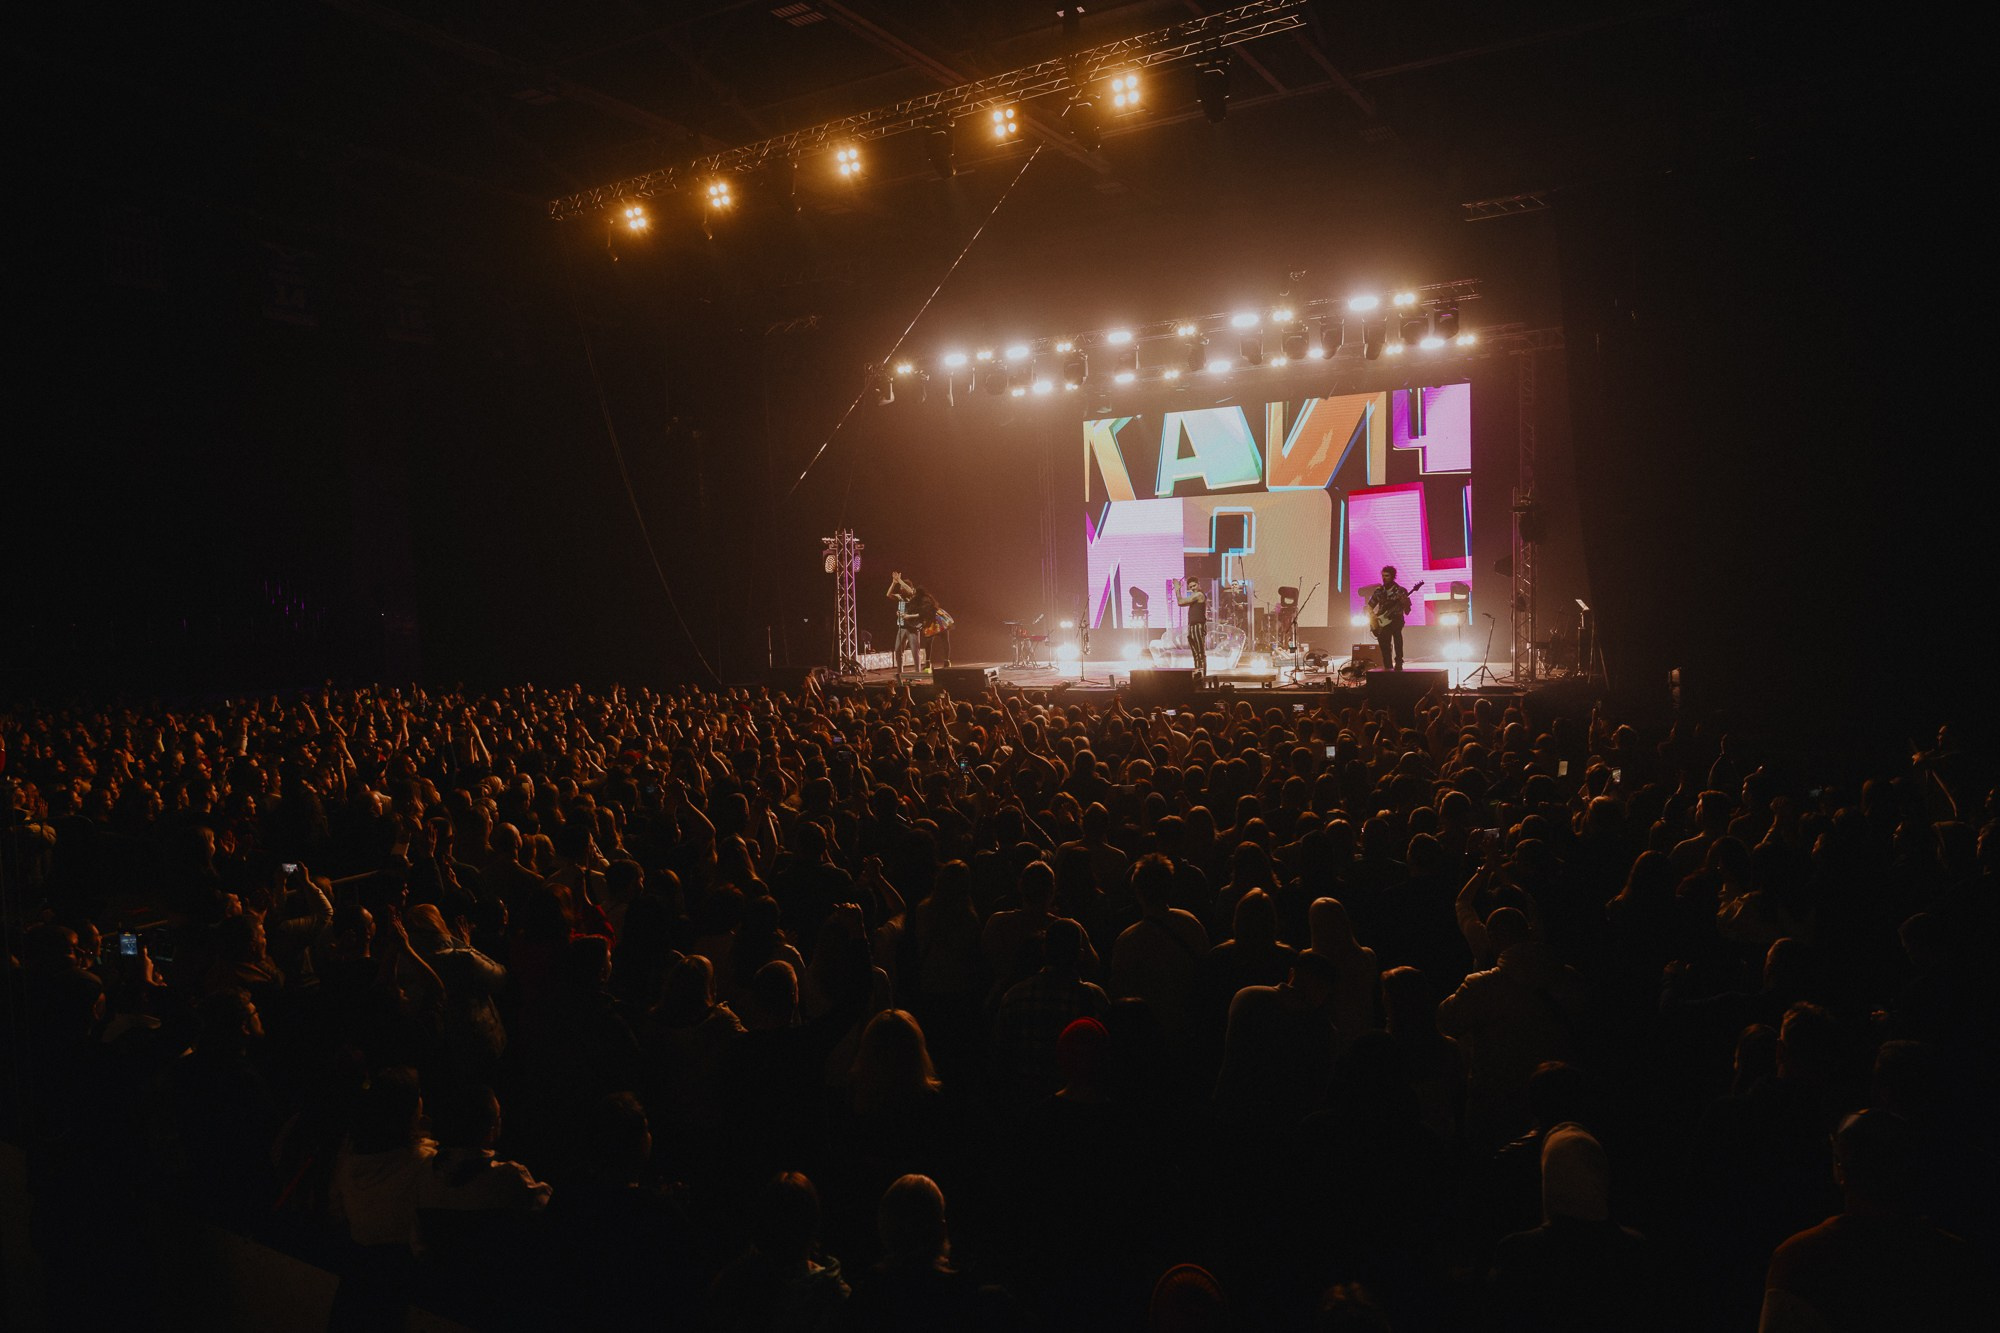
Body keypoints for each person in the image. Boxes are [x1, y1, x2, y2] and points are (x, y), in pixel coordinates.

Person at [1365, 564, 1411, 671]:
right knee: (1384, 643)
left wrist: (1404, 603)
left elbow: (1407, 611)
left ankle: (1399, 662)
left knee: (1397, 639)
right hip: (1382, 620)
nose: (1384, 578)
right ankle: (1388, 665)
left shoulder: (1401, 591)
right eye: (1383, 575)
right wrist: (1372, 617)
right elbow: (1370, 606)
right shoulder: (1379, 591)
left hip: (1396, 619)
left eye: (1387, 576)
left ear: (1393, 576)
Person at [1174, 577, 1208, 680]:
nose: (1193, 588)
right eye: (1190, 587)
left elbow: (1180, 602)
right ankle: (1198, 674)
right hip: (1192, 626)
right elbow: (1181, 603)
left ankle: (1202, 676)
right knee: (1195, 653)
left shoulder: (1199, 595)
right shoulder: (1195, 597)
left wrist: (1177, 589)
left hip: (1198, 626)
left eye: (1194, 585)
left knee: (1200, 652)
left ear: (1198, 584)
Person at [887, 571, 919, 677]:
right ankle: (900, 673)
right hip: (902, 627)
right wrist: (894, 583)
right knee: (898, 650)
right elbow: (888, 594)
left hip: (912, 628)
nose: (901, 589)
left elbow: (910, 590)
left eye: (902, 587)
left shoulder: (914, 596)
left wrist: (899, 580)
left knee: (915, 652)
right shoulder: (901, 597)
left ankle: (918, 674)